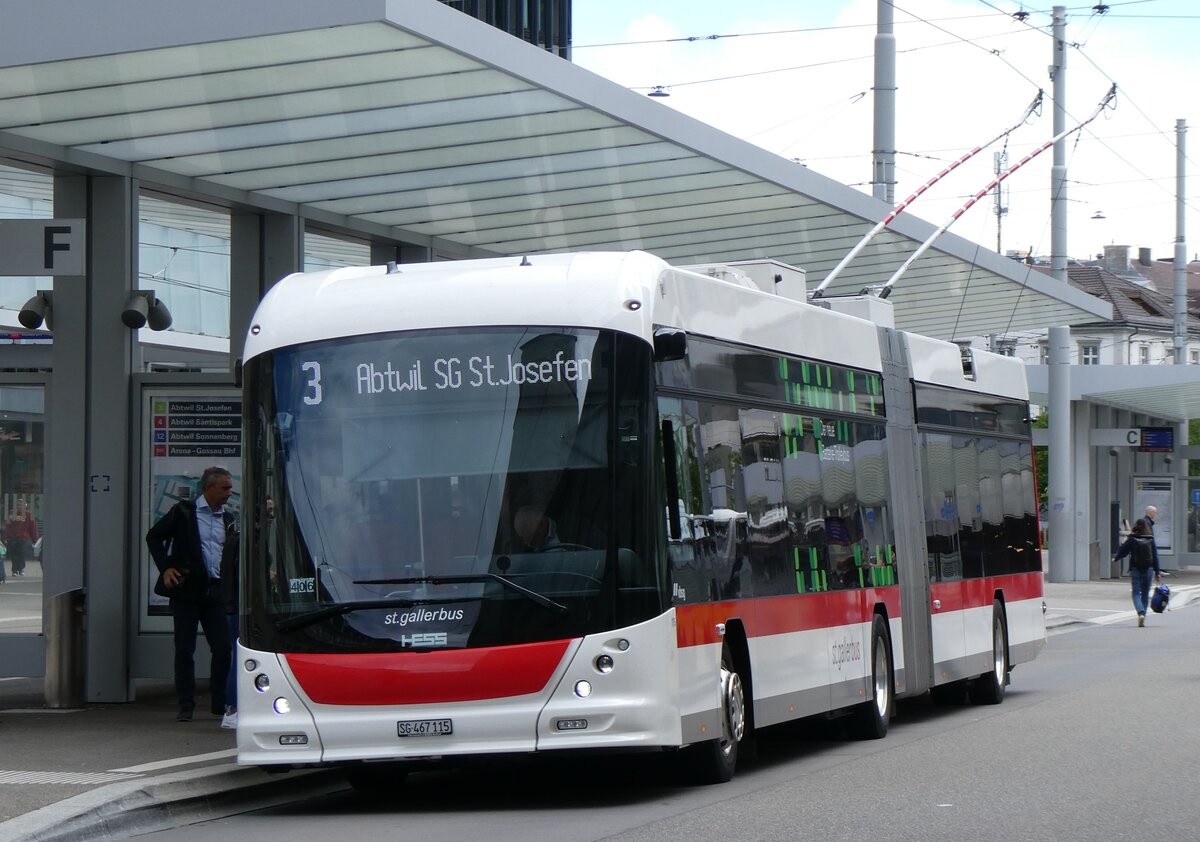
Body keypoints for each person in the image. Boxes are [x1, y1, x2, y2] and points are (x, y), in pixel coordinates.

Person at [147, 467, 237, 722]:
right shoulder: (184, 512)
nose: (229, 493)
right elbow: (154, 537)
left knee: (222, 649)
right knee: (184, 649)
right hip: (186, 591)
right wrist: (166, 568)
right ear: (209, 488)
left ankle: (219, 703)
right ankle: (186, 704)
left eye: (230, 488)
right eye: (225, 488)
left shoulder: (229, 519)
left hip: (216, 591)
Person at [1114, 518, 1161, 627]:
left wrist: (1116, 558)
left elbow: (1123, 550)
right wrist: (1157, 572)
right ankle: (1143, 615)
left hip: (1136, 568)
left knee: (1136, 592)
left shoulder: (1132, 538)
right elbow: (1155, 556)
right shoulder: (1151, 539)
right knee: (1145, 593)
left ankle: (1140, 612)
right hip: (1148, 569)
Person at [2, 499, 39, 579]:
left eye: (20, 505)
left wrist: (35, 540)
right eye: (17, 505)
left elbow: (33, 528)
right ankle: (14, 570)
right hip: (12, 537)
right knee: (13, 554)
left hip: (23, 538)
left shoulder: (29, 515)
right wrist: (5, 537)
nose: (19, 507)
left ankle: (21, 568)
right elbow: (8, 526)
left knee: (21, 552)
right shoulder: (12, 514)